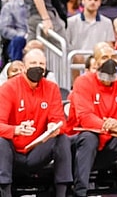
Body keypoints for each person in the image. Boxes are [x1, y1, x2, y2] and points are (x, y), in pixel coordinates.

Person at [66, 44, 117, 197]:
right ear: (95, 63)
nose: (110, 61)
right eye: (104, 57)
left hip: (110, 139)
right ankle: (80, 192)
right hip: (82, 143)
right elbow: (85, 118)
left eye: (113, 57)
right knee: (89, 137)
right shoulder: (83, 82)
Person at [0, 49, 72, 197]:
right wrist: (16, 130)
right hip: (13, 151)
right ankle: (5, 193)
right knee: (1, 141)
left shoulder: (51, 88)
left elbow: (61, 122)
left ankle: (62, 193)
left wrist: (54, 127)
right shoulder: (8, 88)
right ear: (24, 67)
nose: (37, 67)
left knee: (62, 138)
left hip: (38, 149)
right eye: (33, 63)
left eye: (41, 64)